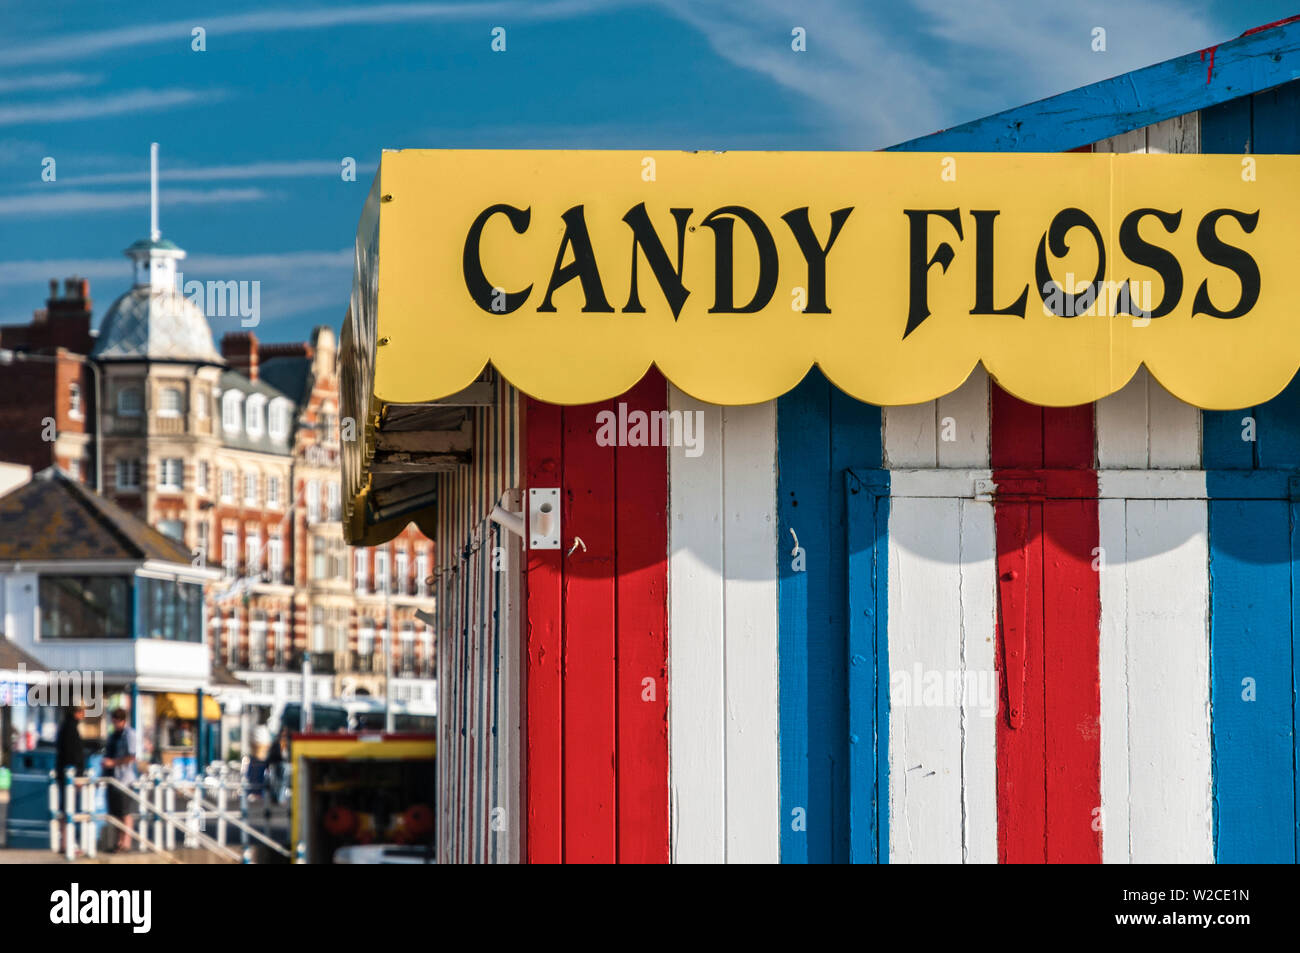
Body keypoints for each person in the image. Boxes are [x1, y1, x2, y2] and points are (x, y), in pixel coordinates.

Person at [101, 708, 139, 851]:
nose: (115, 724)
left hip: (125, 779)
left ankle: (126, 842)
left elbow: (131, 756)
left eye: (116, 722)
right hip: (113, 778)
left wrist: (113, 763)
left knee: (125, 811)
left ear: (122, 720)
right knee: (116, 812)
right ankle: (119, 842)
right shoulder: (113, 735)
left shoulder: (129, 735)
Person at [54, 706, 85, 853]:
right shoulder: (71, 729)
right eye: (82, 710)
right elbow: (73, 755)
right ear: (76, 712)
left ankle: (64, 842)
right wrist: (78, 775)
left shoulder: (64, 727)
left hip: (63, 774)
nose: (84, 714)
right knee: (70, 809)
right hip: (70, 776)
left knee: (65, 808)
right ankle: (68, 843)